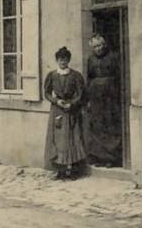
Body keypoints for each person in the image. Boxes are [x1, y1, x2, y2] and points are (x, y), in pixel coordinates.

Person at [44, 46, 87, 180]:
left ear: (69, 60)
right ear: (57, 60)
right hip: (57, 110)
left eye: (65, 59)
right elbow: (46, 93)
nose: (63, 62)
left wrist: (72, 103)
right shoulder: (52, 75)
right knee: (58, 140)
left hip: (71, 110)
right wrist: (56, 101)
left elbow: (81, 94)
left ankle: (74, 170)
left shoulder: (75, 75)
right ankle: (60, 170)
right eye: (60, 59)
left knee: (73, 138)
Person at [85, 33, 123, 168]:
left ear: (104, 44)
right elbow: (89, 78)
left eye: (100, 45)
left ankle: (111, 158)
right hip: (96, 97)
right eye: (95, 46)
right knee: (97, 126)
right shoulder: (90, 60)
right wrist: (88, 98)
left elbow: (120, 76)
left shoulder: (113, 57)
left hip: (110, 97)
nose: (98, 48)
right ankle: (99, 157)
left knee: (110, 125)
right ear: (92, 48)